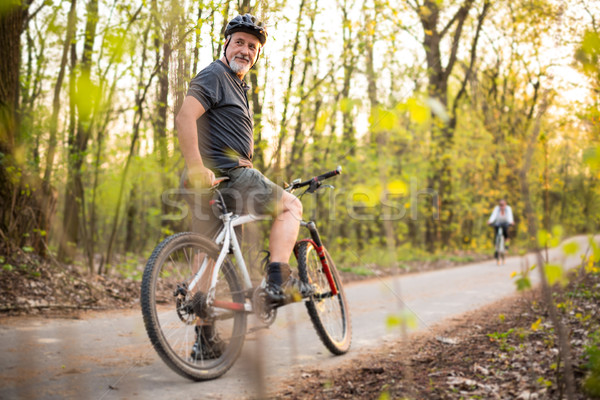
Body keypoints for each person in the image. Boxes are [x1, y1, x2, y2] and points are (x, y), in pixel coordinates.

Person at [175, 14, 311, 360]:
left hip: (215, 181)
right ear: (226, 43)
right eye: (240, 42)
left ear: (257, 55)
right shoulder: (215, 75)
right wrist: (195, 167)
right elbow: (184, 116)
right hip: (225, 175)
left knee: (206, 256)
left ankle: (203, 341)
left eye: (253, 46)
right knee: (291, 206)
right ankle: (277, 282)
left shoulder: (236, 85)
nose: (246, 50)